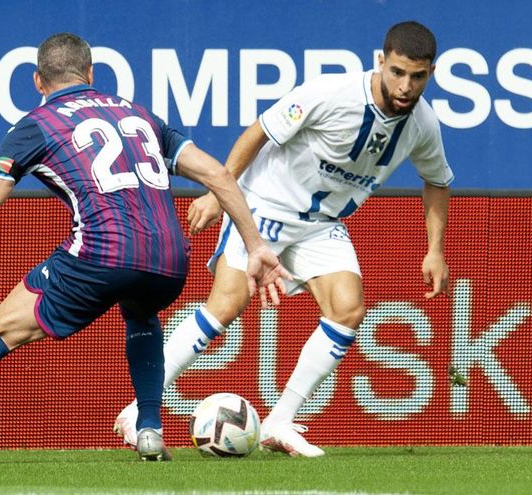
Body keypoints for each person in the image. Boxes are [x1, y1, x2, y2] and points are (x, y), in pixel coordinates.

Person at [0, 32, 289, 465]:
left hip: (102, 253)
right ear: (90, 73)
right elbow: (219, 175)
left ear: (38, 81)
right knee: (141, 312)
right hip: (171, 258)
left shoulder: (36, 125)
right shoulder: (140, 114)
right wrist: (255, 245)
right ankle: (149, 428)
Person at [113, 21, 454, 457]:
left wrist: (435, 249)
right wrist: (219, 193)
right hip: (264, 203)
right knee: (227, 303)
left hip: (321, 223)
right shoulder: (331, 93)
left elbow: (436, 181)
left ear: (431, 73)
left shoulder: (423, 124)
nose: (406, 86)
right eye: (398, 72)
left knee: (348, 308)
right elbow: (259, 131)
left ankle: (279, 422)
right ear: (381, 62)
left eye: (418, 76)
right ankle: (138, 410)